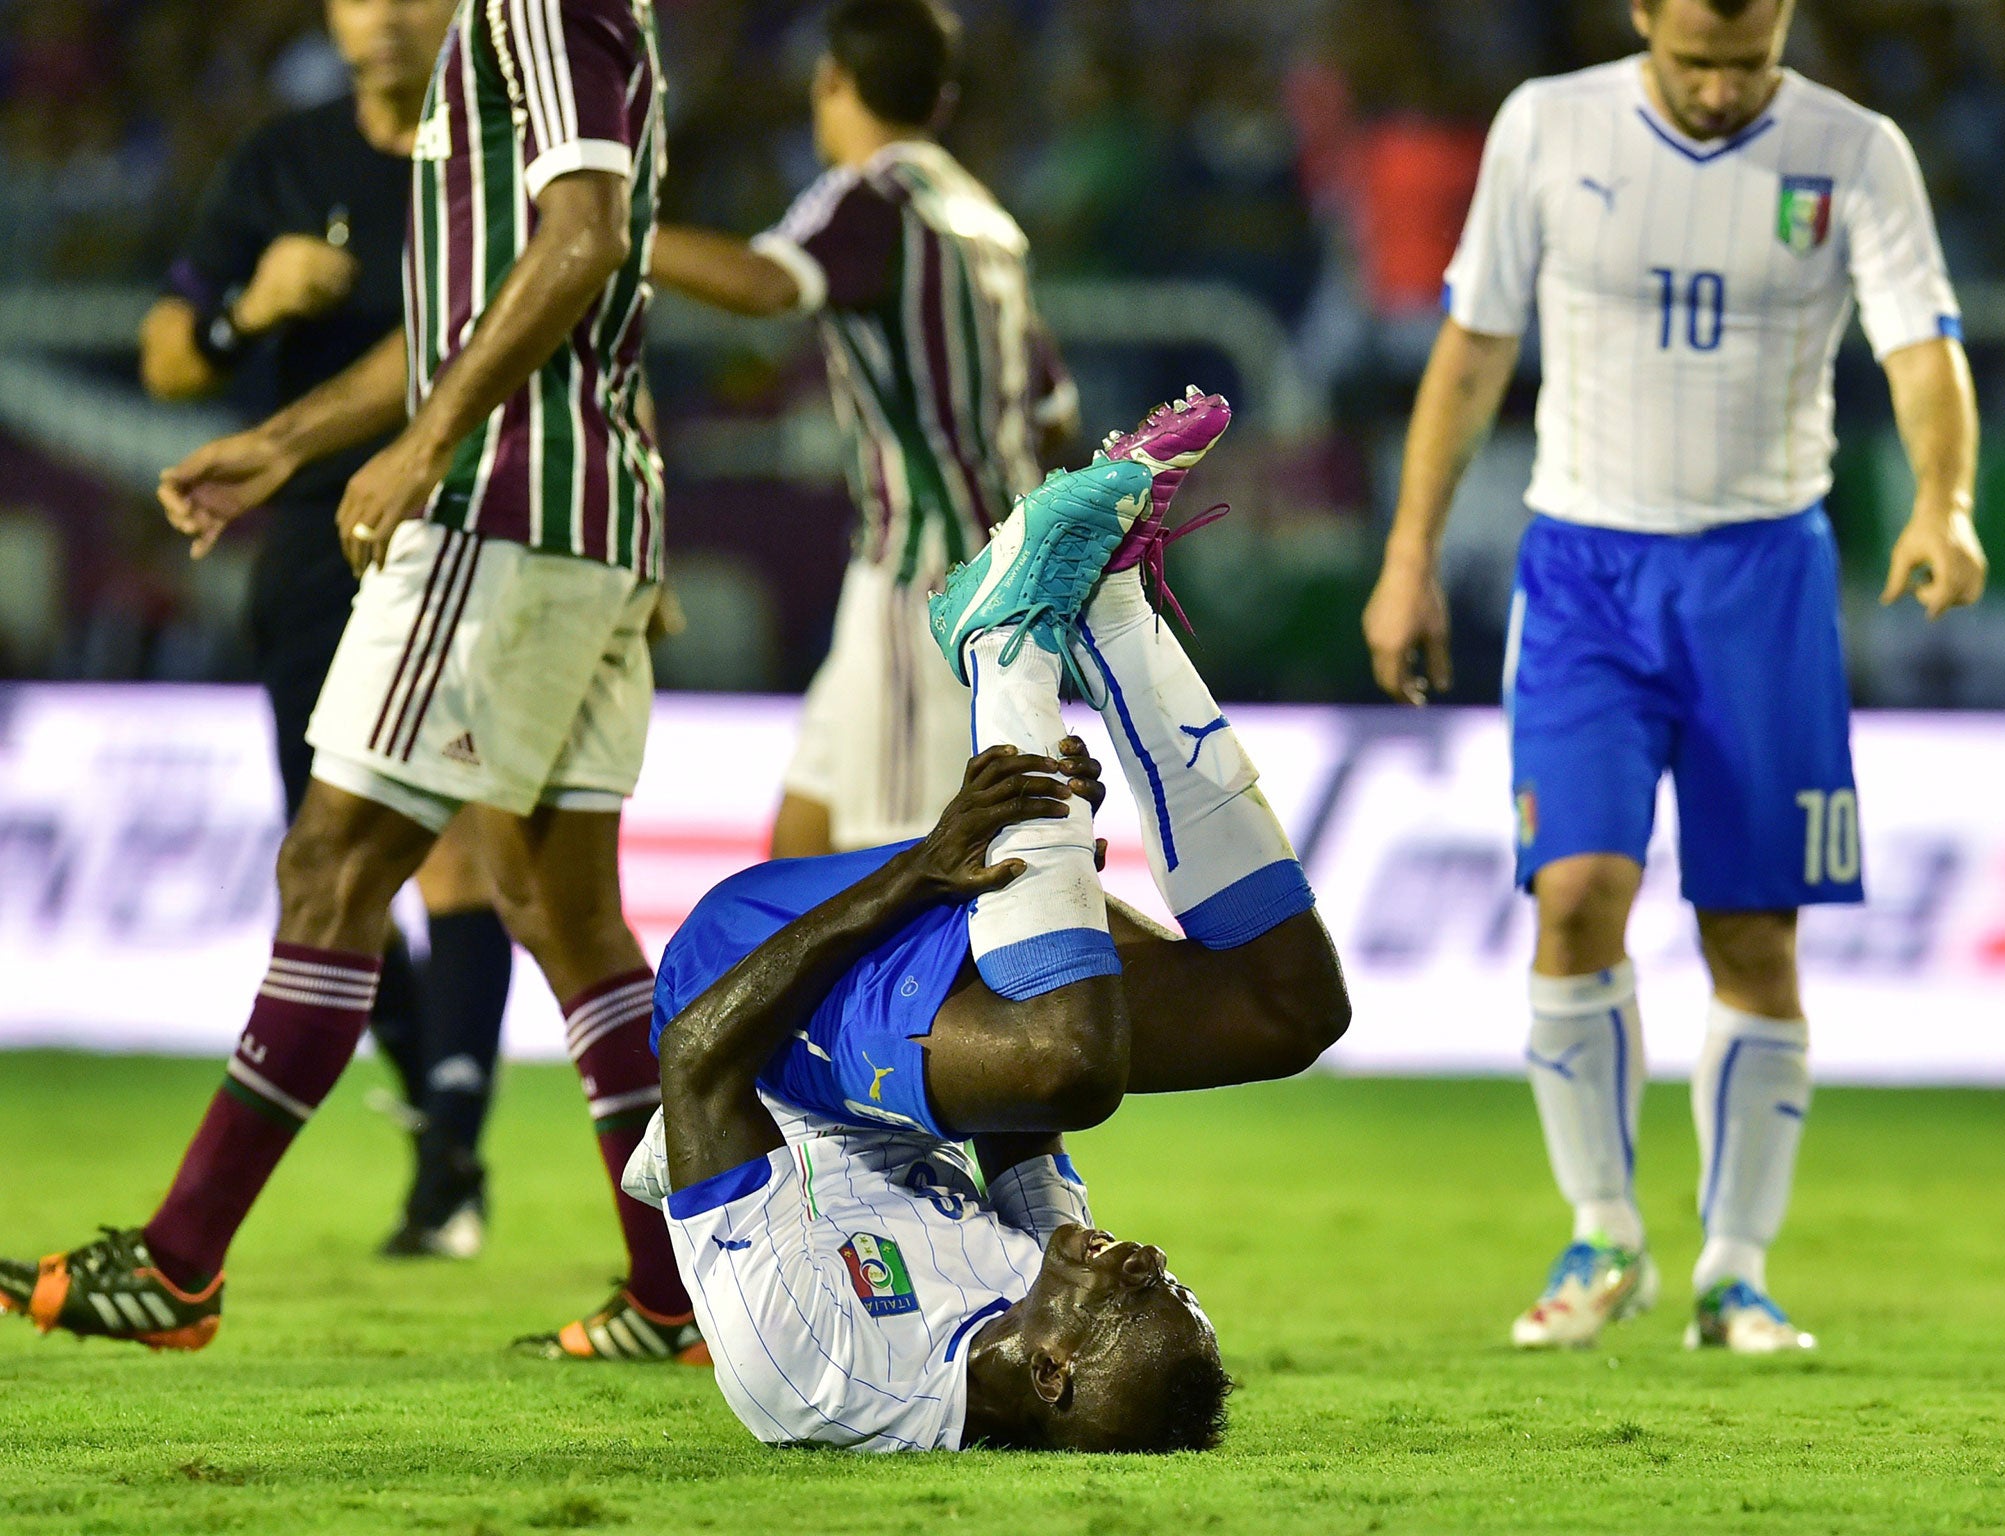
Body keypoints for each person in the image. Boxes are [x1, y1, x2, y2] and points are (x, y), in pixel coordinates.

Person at [1, 0, 694, 1362]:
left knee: (330, 867)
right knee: (568, 914)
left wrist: (428, 443)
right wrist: (285, 439)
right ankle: (674, 1295)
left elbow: (584, 242)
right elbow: (482, 303)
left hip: (506, 505)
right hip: (586, 516)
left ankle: (181, 1261)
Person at [1362, 0, 1986, 1353]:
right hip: (1584, 571)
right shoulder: (1549, 126)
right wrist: (1408, 556)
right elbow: (1471, 351)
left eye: (1746, 64)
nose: (1716, 91)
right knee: (1577, 895)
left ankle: (1737, 1271)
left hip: (1763, 579)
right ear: (1641, 16)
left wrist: (1945, 499)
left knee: (1753, 933)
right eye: (1692, 61)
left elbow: (1921, 344)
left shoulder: (1856, 152)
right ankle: (1603, 1233)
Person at [626, 418, 1350, 1451]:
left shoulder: (817, 1369)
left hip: (746, 995)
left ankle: (999, 645)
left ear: (1052, 1374)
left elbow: (696, 1062)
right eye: (1170, 1282)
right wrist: (1055, 865)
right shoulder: (1039, 1294)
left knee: (1069, 1062)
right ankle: (1112, 611)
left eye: (1136, 1295)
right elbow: (1017, 1120)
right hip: (914, 1032)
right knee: (1289, 1014)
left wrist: (919, 872)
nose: (1143, 1257)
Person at [136, 0, 513, 1261]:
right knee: (326, 858)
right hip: (307, 537)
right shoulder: (280, 161)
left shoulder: (494, 150)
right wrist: (252, 308)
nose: (385, 22)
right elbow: (170, 357)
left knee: (453, 845)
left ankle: (453, 1160)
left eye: (412, 0)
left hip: (459, 516)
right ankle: (432, 1122)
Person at [647, 0, 1078, 859]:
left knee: (909, 864)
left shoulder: (869, 200)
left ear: (831, 81)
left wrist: (615, 234)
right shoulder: (987, 221)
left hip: (923, 579)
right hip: (979, 567)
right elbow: (1054, 415)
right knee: (799, 848)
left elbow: (767, 285)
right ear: (942, 103)